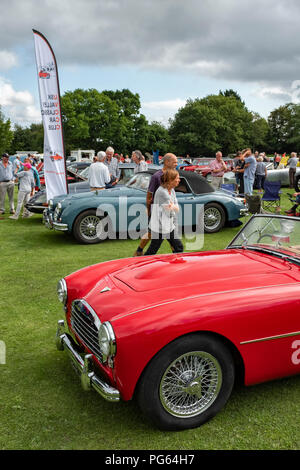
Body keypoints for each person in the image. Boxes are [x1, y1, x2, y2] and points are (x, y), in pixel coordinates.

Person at [134, 153, 178, 256]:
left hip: (168, 212)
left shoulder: (173, 174)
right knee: (151, 233)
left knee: (171, 235)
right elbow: (149, 196)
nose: (176, 164)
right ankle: (139, 251)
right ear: (167, 162)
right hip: (157, 213)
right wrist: (149, 211)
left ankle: (177, 254)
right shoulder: (156, 176)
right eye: (174, 162)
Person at [145, 169, 183, 255]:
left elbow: (176, 208)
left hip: (168, 226)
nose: (179, 180)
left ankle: (176, 264)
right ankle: (141, 265)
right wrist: (173, 208)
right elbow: (170, 212)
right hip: (160, 227)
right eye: (177, 178)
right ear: (170, 180)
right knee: (152, 251)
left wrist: (173, 207)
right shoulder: (162, 192)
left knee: (178, 247)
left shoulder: (172, 190)